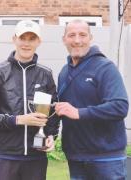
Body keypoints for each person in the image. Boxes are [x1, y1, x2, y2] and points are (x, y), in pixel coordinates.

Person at [0, 20, 59, 180]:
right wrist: (19, 120)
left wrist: (51, 136)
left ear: (39, 42)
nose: (26, 43)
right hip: (6, 157)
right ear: (14, 39)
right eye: (23, 38)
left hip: (36, 157)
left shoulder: (46, 74)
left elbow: (52, 113)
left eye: (32, 38)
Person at [55, 19, 129, 180]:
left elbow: (120, 106)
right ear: (64, 39)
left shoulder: (105, 68)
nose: (77, 40)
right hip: (76, 158)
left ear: (90, 38)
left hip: (106, 159)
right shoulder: (64, 72)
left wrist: (80, 113)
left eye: (82, 35)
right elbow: (61, 109)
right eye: (71, 35)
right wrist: (49, 134)